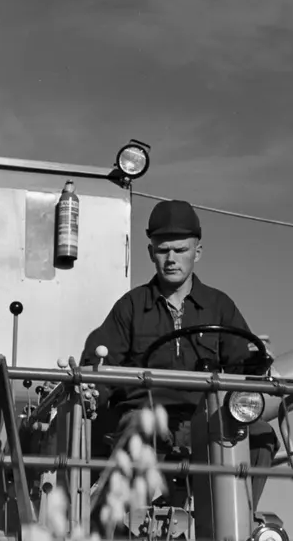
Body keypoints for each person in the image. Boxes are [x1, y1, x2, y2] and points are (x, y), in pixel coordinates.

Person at [79, 199, 279, 512]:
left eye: (181, 250)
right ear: (151, 253)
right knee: (140, 426)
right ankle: (127, 528)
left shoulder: (220, 306)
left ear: (197, 252)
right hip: (149, 413)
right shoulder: (130, 307)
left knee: (262, 436)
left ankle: (236, 519)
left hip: (209, 417)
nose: (171, 259)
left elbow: (243, 365)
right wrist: (93, 391)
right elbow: (100, 366)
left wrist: (259, 361)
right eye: (163, 250)